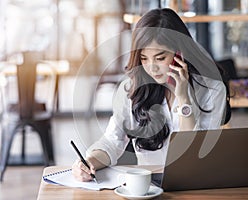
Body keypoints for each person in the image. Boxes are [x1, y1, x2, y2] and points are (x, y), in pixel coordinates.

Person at [72, 8, 230, 182]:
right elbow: (112, 141)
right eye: (144, 58)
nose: (151, 68)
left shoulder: (212, 90)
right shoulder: (132, 89)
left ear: (179, 54)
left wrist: (184, 99)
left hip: (195, 184)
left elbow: (194, 155)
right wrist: (89, 162)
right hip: (149, 188)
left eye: (160, 58)